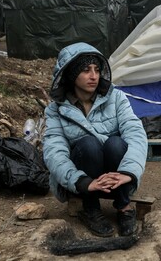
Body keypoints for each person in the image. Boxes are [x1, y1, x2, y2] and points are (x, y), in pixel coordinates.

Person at [43, 42, 148, 238]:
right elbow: (53, 150)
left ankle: (124, 206)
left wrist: (128, 172)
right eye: (85, 70)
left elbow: (135, 133)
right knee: (88, 144)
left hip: (115, 175)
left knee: (116, 144)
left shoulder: (116, 98)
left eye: (97, 70)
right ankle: (90, 208)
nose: (93, 76)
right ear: (72, 75)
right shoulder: (55, 109)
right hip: (83, 178)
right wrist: (81, 181)